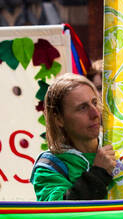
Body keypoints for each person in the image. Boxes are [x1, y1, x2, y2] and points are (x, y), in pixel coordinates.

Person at [31, 73, 117, 202]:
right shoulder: (50, 166)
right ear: (59, 118)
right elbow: (59, 215)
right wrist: (99, 172)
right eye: (82, 108)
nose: (95, 114)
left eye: (94, 103)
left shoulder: (120, 144)